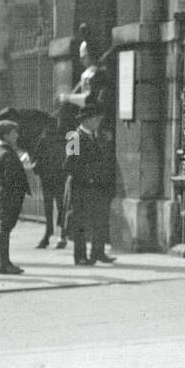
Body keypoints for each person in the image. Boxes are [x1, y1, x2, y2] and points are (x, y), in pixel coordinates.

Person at [63, 103, 116, 266]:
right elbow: (69, 164)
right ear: (87, 120)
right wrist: (89, 177)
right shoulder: (74, 137)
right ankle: (80, 256)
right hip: (81, 186)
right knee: (80, 222)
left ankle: (98, 252)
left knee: (100, 219)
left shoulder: (96, 135)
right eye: (96, 119)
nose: (99, 122)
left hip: (98, 186)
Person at [0, 120, 28, 275]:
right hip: (10, 196)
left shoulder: (0, 149)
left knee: (2, 229)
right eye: (13, 133)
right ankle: (4, 264)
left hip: (4, 194)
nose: (17, 135)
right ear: (5, 135)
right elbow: (12, 177)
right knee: (4, 229)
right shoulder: (6, 153)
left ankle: (0, 263)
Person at [33, 114, 70, 249]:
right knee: (59, 207)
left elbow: (36, 158)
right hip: (55, 177)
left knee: (56, 207)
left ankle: (55, 234)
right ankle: (59, 234)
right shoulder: (68, 137)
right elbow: (37, 158)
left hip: (54, 177)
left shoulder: (47, 137)